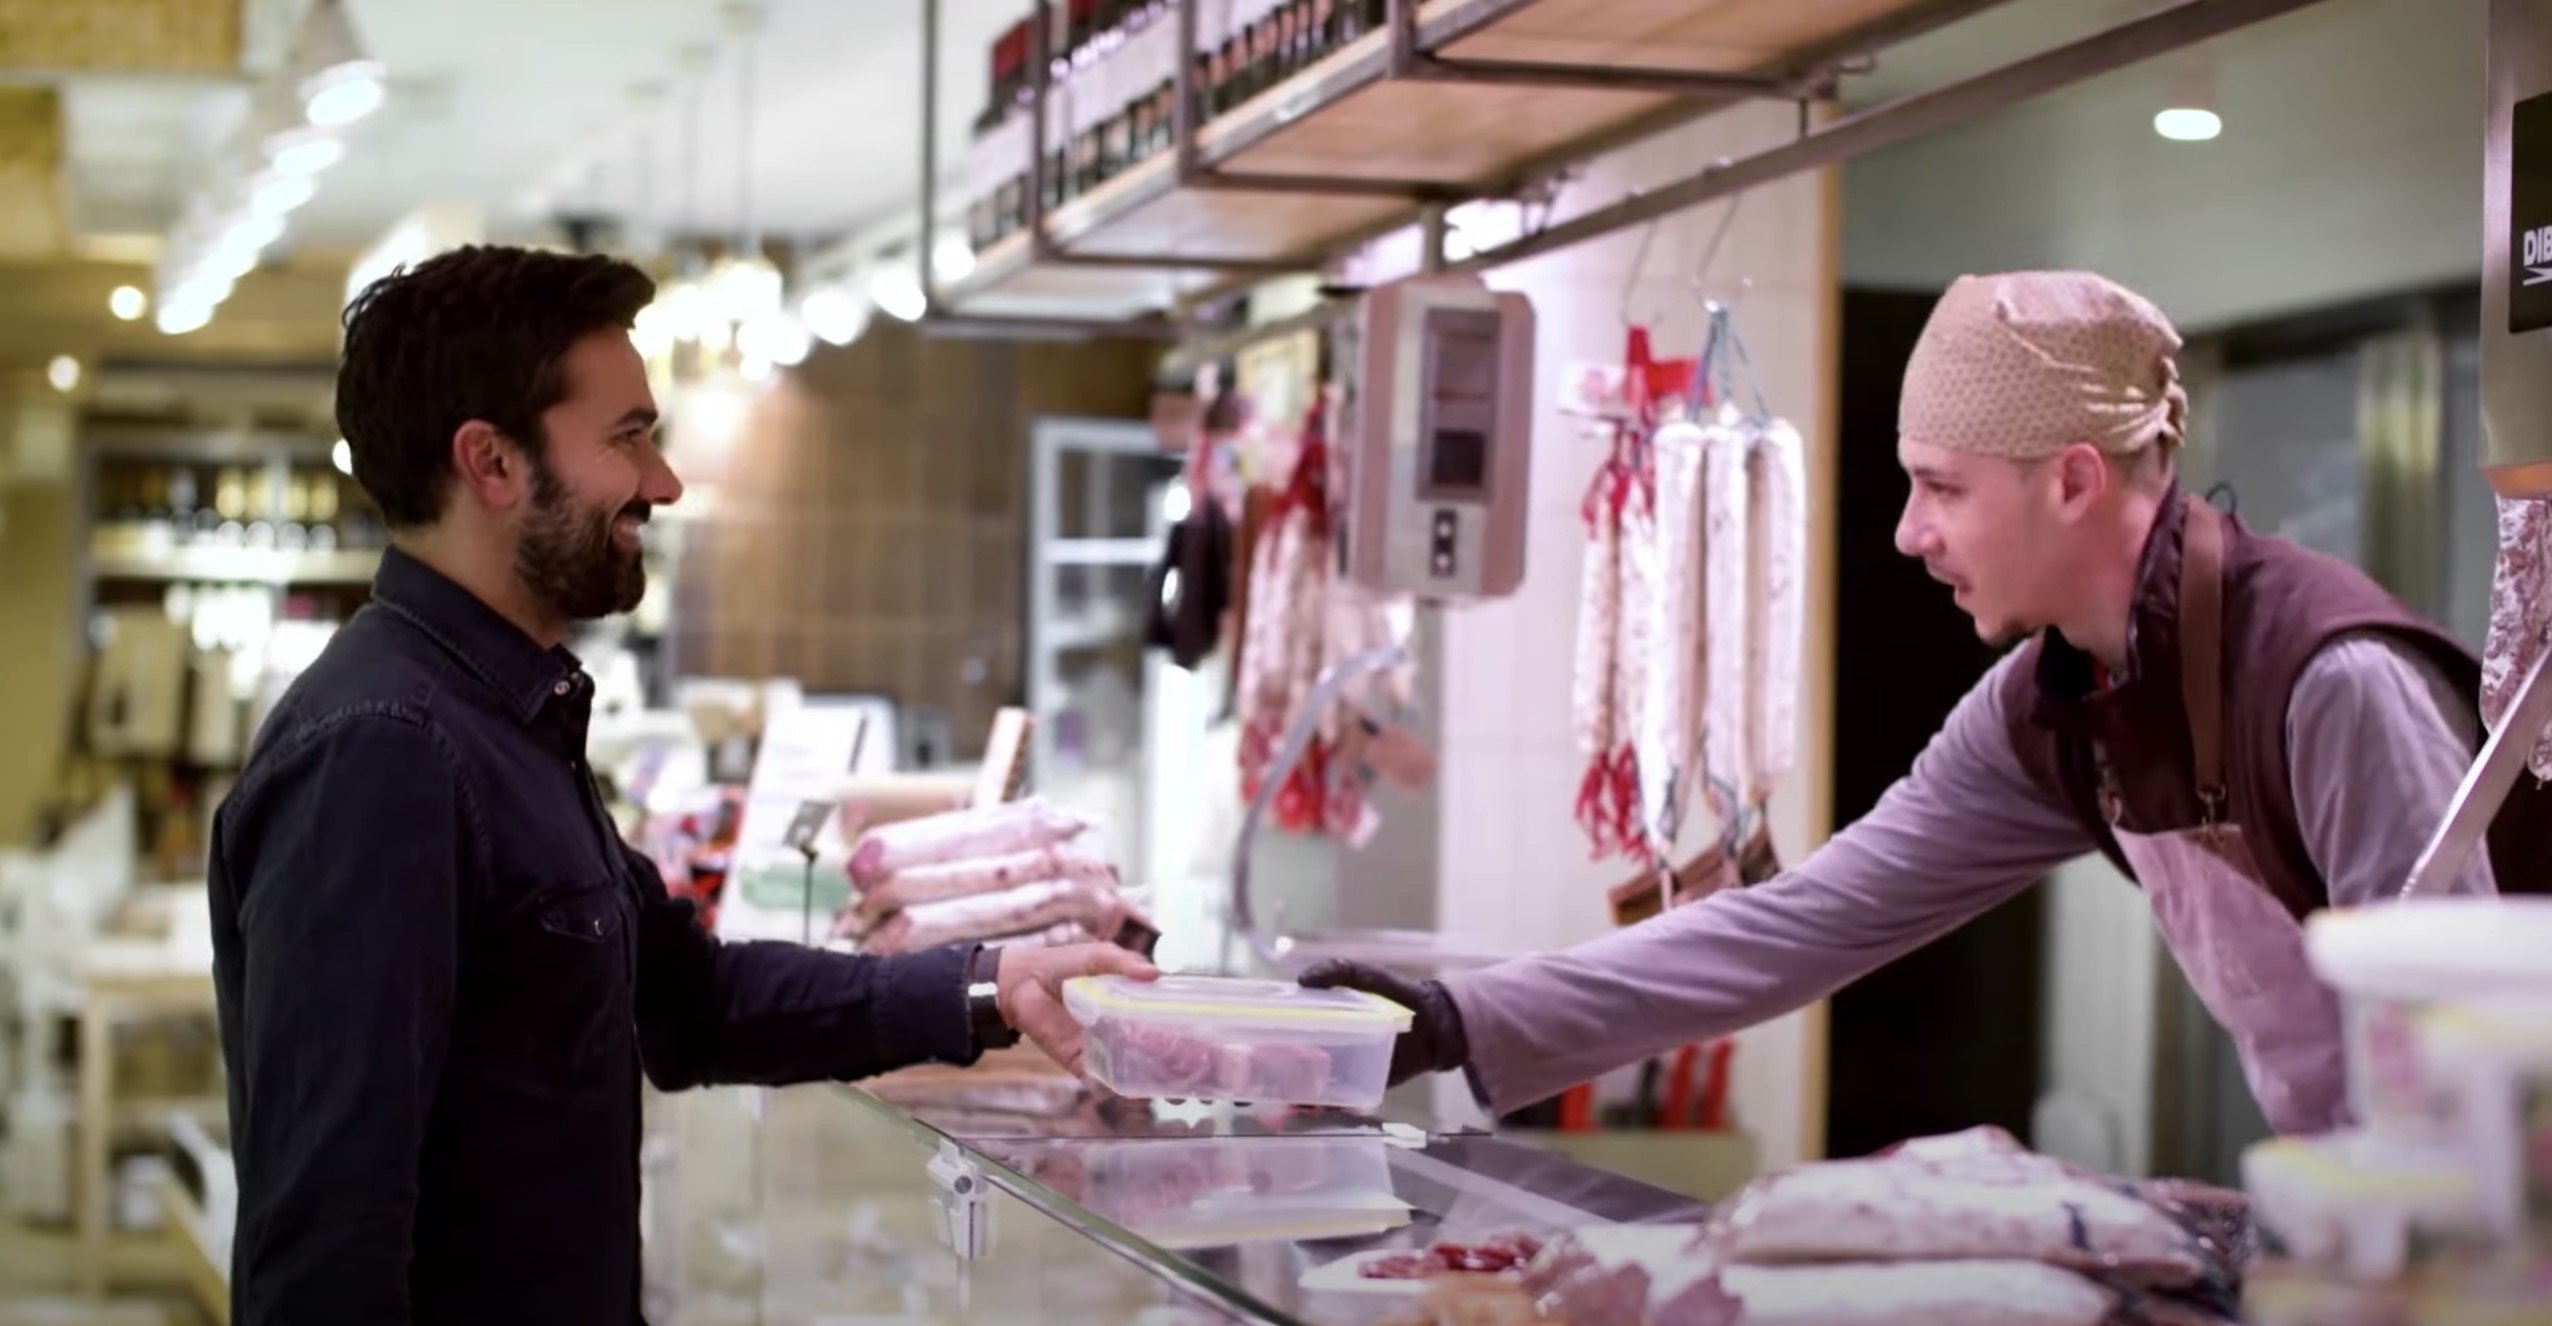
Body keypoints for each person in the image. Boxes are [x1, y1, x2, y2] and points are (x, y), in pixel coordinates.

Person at [1305, 269, 2516, 1141]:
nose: (1907, 533)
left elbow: (2469, 1056)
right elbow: (1804, 921)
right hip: (2353, 1226)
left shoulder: (2326, 680)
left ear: (2072, 480)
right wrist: (1456, 1019)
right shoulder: (2051, 706)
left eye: (1939, 487)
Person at [207, 245, 1156, 1325]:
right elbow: (326, 1232)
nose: (663, 481)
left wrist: (993, 982)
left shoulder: (504, 721)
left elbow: (691, 1003)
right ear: (491, 462)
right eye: (628, 437)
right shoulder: (381, 751)